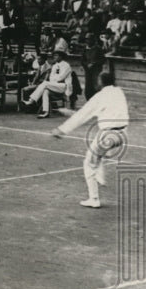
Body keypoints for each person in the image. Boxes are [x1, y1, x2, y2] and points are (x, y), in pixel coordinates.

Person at [51, 71, 128, 208]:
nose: (97, 83)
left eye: (98, 80)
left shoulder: (100, 96)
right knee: (99, 153)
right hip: (122, 136)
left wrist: (62, 129)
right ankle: (101, 176)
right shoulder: (119, 92)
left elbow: (83, 114)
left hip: (107, 135)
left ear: (102, 82)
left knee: (89, 163)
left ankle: (94, 199)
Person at [23, 48, 72, 118]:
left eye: (56, 55)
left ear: (61, 57)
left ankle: (31, 101)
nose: (54, 57)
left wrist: (55, 79)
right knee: (46, 91)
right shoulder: (54, 66)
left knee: (45, 83)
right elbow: (52, 78)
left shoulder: (66, 65)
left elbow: (61, 77)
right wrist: (55, 80)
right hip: (54, 85)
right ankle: (46, 112)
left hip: (63, 86)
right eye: (54, 55)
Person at [81, 30, 105, 100]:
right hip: (88, 71)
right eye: (86, 39)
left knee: (96, 86)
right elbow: (82, 60)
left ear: (93, 40)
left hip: (96, 71)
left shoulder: (98, 49)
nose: (87, 41)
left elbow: (102, 60)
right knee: (88, 87)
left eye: (89, 39)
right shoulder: (85, 49)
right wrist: (87, 64)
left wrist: (94, 64)